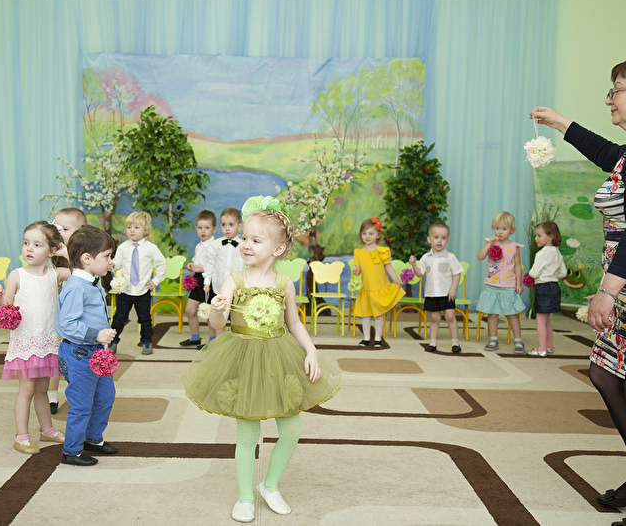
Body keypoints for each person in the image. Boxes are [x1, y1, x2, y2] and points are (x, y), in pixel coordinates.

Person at [531, 53, 626, 526]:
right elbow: (608, 153)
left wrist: (606, 291)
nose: (610, 99)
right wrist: (561, 123)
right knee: (605, 375)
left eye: (617, 89)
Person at [182, 197, 340, 523]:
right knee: (248, 434)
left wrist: (311, 350)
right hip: (243, 358)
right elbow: (217, 324)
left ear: (278, 249)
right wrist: (217, 309)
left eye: (256, 240)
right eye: (245, 238)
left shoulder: (284, 284)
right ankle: (244, 497)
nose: (246, 245)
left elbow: (294, 322)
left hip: (279, 358)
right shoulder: (234, 280)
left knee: (292, 430)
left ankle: (270, 485)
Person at [0, 221, 70, 454]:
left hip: (48, 342)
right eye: (26, 243)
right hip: (26, 344)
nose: (29, 249)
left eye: (37, 244)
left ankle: (47, 429)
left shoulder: (56, 274)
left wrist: (64, 252)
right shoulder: (17, 275)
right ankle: (22, 437)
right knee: (26, 389)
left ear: (51, 250)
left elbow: (82, 271)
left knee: (43, 389)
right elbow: (4, 311)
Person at [55, 225, 118, 466]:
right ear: (87, 259)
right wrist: (97, 334)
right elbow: (67, 324)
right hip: (79, 353)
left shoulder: (92, 280)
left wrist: (99, 338)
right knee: (81, 403)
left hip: (97, 351)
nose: (110, 262)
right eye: (107, 256)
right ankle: (71, 451)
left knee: (105, 396)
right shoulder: (75, 287)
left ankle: (92, 438)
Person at [47, 207, 89, 414]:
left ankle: (81, 393)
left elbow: (85, 276)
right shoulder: (50, 252)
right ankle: (51, 395)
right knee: (53, 352)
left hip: (79, 315)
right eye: (56, 227)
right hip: (55, 312)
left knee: (76, 357)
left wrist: (67, 255)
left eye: (65, 229)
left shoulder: (85, 255)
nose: (59, 232)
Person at [110, 212, 167, 356]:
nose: (132, 230)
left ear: (145, 229)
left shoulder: (150, 248)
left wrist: (155, 280)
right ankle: (112, 341)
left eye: (136, 227)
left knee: (145, 319)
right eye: (129, 227)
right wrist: (111, 264)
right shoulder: (123, 247)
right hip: (125, 291)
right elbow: (118, 264)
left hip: (143, 291)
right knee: (119, 318)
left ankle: (147, 341)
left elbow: (162, 263)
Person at [476, 211, 527, 354]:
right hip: (491, 285)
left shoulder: (515, 247)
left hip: (508, 286)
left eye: (504, 229)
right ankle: (493, 340)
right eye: (497, 228)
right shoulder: (491, 243)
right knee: (492, 314)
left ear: (511, 230)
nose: (500, 232)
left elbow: (517, 266)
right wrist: (488, 244)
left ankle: (518, 341)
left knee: (511, 314)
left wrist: (518, 284)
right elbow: (480, 256)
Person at [409, 222, 464, 353]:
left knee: (450, 317)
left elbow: (457, 274)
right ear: (429, 239)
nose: (439, 241)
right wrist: (414, 265)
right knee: (434, 318)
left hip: (447, 294)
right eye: (436, 237)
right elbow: (420, 274)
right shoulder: (425, 258)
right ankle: (433, 343)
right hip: (432, 294)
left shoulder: (450, 257)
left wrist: (453, 289)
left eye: (443, 238)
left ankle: (455, 343)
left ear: (447, 240)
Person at [351, 217, 403, 347]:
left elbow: (388, 266)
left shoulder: (383, 251)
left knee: (379, 315)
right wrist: (356, 270)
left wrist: (396, 279)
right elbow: (358, 270)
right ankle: (366, 338)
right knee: (365, 315)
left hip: (379, 287)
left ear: (378, 235)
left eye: (371, 233)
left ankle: (378, 338)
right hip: (366, 289)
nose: (367, 236)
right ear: (361, 235)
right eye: (364, 233)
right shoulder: (359, 253)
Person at [202, 207, 244, 338]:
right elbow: (210, 264)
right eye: (224, 225)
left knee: (237, 318)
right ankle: (216, 342)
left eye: (231, 225)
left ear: (239, 226)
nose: (227, 228)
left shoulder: (243, 245)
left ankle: (236, 342)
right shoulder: (215, 245)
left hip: (238, 289)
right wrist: (207, 282)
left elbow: (247, 265)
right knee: (218, 315)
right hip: (219, 287)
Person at [528, 221, 567, 357]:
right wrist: (552, 275)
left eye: (539, 236)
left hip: (543, 287)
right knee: (547, 320)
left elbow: (533, 273)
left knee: (540, 320)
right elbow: (563, 273)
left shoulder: (541, 254)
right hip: (554, 287)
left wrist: (532, 275)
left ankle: (542, 349)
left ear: (550, 237)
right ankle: (549, 346)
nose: (536, 238)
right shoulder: (557, 253)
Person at [180, 210, 217, 348]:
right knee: (190, 310)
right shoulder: (199, 245)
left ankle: (212, 340)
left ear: (214, 229)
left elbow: (215, 266)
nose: (203, 231)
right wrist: (192, 266)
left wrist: (200, 268)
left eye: (207, 228)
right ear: (196, 228)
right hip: (198, 280)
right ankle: (195, 337)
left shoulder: (215, 246)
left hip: (209, 281)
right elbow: (199, 263)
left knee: (209, 312)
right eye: (200, 228)